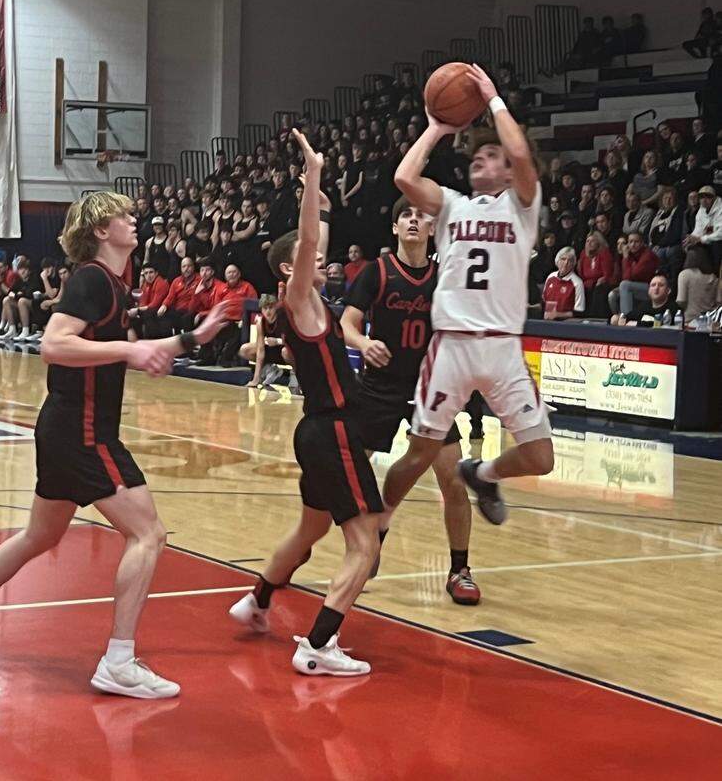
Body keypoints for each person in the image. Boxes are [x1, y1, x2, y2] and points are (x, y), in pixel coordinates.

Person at [0, 191, 228, 699]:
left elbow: (122, 353)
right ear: (101, 229)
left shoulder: (114, 283)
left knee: (38, 536)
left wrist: (191, 340)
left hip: (65, 426)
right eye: (124, 216)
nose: (135, 221)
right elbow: (55, 344)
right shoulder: (92, 278)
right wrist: (133, 348)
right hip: (85, 430)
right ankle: (118, 661)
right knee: (149, 533)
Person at [228, 129, 383, 677]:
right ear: (288, 270)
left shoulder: (316, 301)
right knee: (367, 544)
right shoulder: (297, 302)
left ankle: (257, 600)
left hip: (320, 431)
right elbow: (311, 243)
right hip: (333, 431)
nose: (320, 258)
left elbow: (320, 237)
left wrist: (321, 203)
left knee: (310, 529)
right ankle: (318, 644)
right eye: (308, 256)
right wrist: (314, 171)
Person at [383, 64, 553, 526]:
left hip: (502, 348)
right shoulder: (453, 204)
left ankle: (483, 472)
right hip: (452, 345)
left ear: (509, 169)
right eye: (477, 157)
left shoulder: (521, 206)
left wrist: (494, 99)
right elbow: (404, 178)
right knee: (418, 456)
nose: (482, 160)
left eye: (492, 156)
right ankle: (377, 525)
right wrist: (436, 128)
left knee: (540, 457)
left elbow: (520, 152)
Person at [341, 198, 478, 604]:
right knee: (351, 467)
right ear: (396, 229)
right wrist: (364, 342)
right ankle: (367, 539)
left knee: (452, 479)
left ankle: (460, 569)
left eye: (422, 216)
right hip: (380, 385)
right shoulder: (376, 272)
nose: (415, 220)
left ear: (433, 229)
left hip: (431, 389)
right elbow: (347, 323)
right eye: (406, 215)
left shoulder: (445, 275)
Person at [610, 230, 660, 315]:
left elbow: (629, 277)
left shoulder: (647, 255)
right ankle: (617, 319)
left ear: (642, 243)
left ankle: (626, 318)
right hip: (636, 286)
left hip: (651, 288)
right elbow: (620, 277)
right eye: (630, 242)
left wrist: (625, 258)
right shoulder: (632, 254)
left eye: (636, 242)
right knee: (612, 295)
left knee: (624, 285)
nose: (633, 245)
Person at [610, 274, 676, 326]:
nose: (656, 288)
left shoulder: (674, 309)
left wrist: (637, 324)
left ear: (668, 291)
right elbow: (627, 318)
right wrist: (616, 318)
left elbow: (662, 325)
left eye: (661, 285)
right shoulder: (644, 306)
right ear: (649, 290)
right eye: (653, 285)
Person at [577, 232, 615, 319]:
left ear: (599, 243)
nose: (589, 243)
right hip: (588, 284)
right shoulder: (583, 254)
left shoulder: (604, 253)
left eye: (592, 241)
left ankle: (595, 318)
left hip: (602, 283)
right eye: (587, 241)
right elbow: (581, 275)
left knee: (598, 289)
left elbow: (607, 275)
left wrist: (600, 280)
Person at [542, 246, 586, 320]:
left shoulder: (577, 283)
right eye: (563, 259)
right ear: (557, 261)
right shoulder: (550, 277)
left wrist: (557, 314)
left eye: (570, 261)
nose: (566, 263)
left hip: (565, 323)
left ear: (573, 264)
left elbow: (579, 311)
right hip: (547, 320)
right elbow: (543, 301)